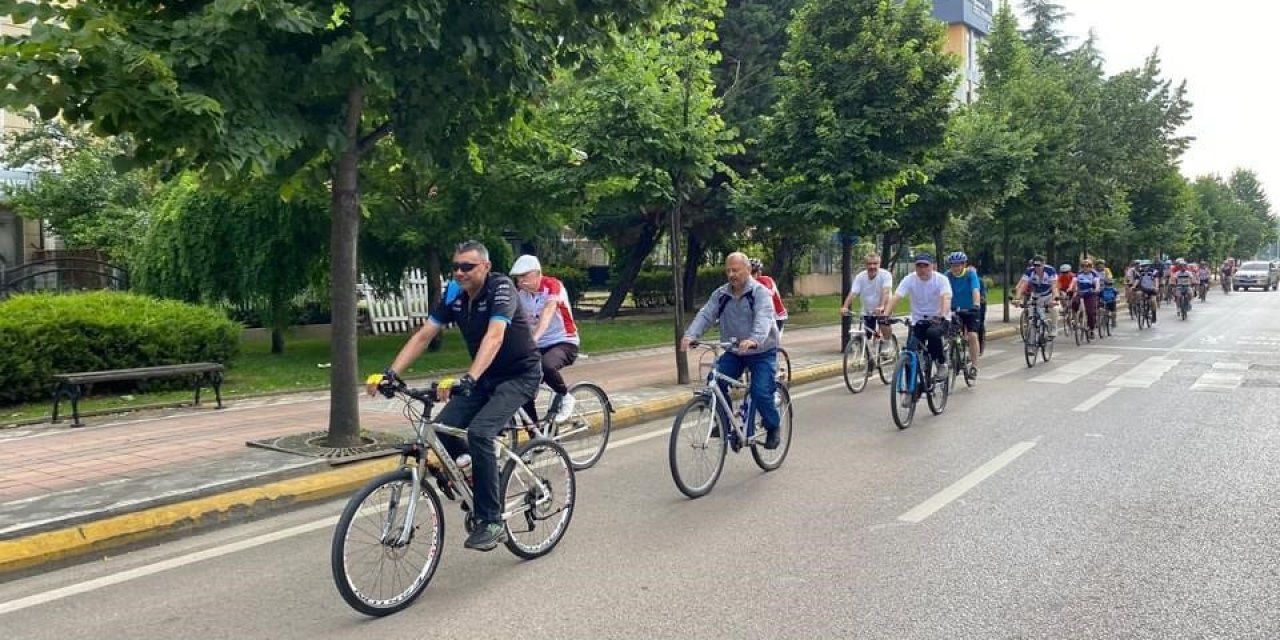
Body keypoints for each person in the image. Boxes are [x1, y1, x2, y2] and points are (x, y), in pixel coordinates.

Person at [369, 240, 541, 552]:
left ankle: (492, 521)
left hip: (519, 374)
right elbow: (424, 335)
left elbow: (495, 336)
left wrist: (469, 377)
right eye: (456, 266)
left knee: (480, 432)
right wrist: (390, 373)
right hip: (484, 376)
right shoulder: (454, 294)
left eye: (468, 266)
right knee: (443, 433)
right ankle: (478, 473)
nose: (460, 272)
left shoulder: (501, 288)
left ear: (485, 267)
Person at [680, 253, 782, 449]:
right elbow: (706, 315)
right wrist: (691, 335)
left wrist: (754, 339)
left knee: (760, 392)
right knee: (714, 380)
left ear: (748, 270)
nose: (731, 274)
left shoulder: (759, 293)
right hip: (735, 351)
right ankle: (724, 422)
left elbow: (763, 318)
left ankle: (773, 426)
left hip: (761, 351)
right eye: (728, 270)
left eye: (735, 270)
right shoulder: (721, 294)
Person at [510, 254, 580, 424]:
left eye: (524, 276)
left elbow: (548, 313)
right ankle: (536, 437)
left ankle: (565, 396)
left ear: (537, 273)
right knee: (522, 387)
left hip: (564, 342)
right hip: (537, 346)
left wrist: (533, 338)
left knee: (546, 365)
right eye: (518, 277)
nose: (520, 281)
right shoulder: (520, 294)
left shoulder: (553, 286)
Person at [882, 254, 953, 381]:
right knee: (910, 351)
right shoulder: (910, 279)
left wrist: (942, 316)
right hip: (918, 321)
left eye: (926, 265)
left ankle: (941, 363)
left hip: (938, 319)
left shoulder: (941, 279)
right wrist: (885, 315)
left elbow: (946, 298)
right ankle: (910, 393)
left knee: (932, 334)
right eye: (919, 266)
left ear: (933, 266)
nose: (922, 269)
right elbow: (896, 297)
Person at [839, 252, 894, 356]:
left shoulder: (885, 275)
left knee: (883, 321)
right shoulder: (860, 277)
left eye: (875, 263)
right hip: (868, 309)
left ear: (879, 263)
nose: (872, 266)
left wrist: (882, 306)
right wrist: (845, 306)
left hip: (884, 306)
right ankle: (869, 360)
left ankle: (887, 342)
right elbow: (853, 293)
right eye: (869, 264)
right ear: (865, 264)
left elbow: (885, 291)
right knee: (867, 334)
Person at [944, 251, 981, 376]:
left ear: (964, 264)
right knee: (948, 334)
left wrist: (976, 304)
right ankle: (950, 356)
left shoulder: (971, 274)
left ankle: (974, 366)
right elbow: (941, 292)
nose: (956, 268)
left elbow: (975, 289)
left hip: (970, 309)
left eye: (959, 265)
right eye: (953, 265)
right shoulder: (947, 276)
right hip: (953, 309)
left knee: (972, 336)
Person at [1015, 256, 1060, 337]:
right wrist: (1017, 299)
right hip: (1036, 295)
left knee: (1054, 309)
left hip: (1048, 294)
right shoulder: (1030, 271)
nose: (1037, 268)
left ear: (1044, 264)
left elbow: (1054, 287)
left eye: (1039, 265)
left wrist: (1054, 300)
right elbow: (1022, 285)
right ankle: (1032, 337)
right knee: (1031, 314)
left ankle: (1054, 328)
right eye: (1035, 265)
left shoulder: (1050, 271)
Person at [749, 258, 789, 334]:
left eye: (753, 272)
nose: (751, 275)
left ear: (759, 272)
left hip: (777, 316)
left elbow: (768, 293)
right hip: (763, 317)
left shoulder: (766, 280)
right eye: (749, 273)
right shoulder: (749, 284)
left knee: (773, 342)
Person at [1070, 259, 1102, 337]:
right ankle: (1075, 318)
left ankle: (1091, 329)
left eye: (1088, 266)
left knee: (1090, 312)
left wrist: (1097, 289)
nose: (1085, 268)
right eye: (1083, 266)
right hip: (1080, 292)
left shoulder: (1094, 274)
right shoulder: (1079, 274)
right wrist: (1070, 288)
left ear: (1091, 267)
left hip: (1090, 293)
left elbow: (1097, 283)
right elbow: (1073, 282)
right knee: (1074, 302)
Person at [971, 264, 989, 355]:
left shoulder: (980, 281)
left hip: (980, 305)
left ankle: (980, 345)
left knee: (979, 324)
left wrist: (979, 299)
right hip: (967, 305)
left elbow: (983, 295)